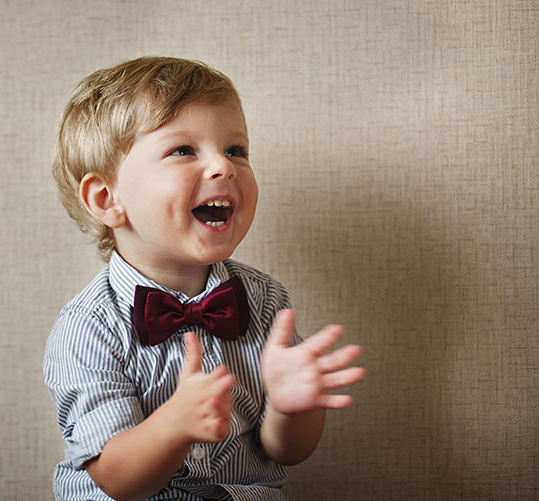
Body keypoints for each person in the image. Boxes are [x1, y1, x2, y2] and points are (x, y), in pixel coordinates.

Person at [43, 56, 366, 501]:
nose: (224, 167)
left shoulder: (264, 299)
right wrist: (172, 426)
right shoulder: (88, 327)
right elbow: (116, 478)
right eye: (183, 150)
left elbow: (286, 451)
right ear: (107, 198)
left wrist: (294, 408)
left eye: (235, 150)